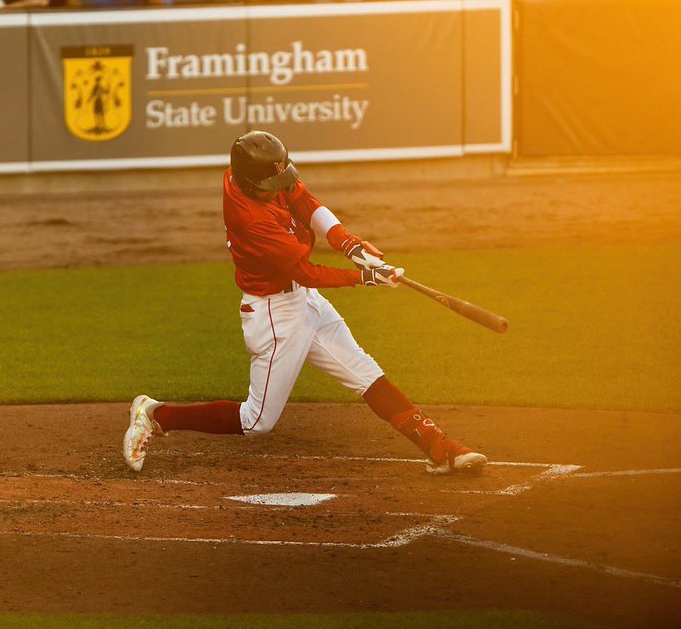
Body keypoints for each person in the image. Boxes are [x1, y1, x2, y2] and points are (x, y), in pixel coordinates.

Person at [122, 131, 487, 476]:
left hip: (304, 300)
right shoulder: (252, 220)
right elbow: (309, 272)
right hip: (274, 315)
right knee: (257, 421)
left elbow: (304, 201)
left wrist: (350, 244)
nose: (279, 188)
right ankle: (156, 415)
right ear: (251, 185)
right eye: (272, 186)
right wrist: (365, 277)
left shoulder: (257, 172)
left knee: (364, 372)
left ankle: (440, 448)